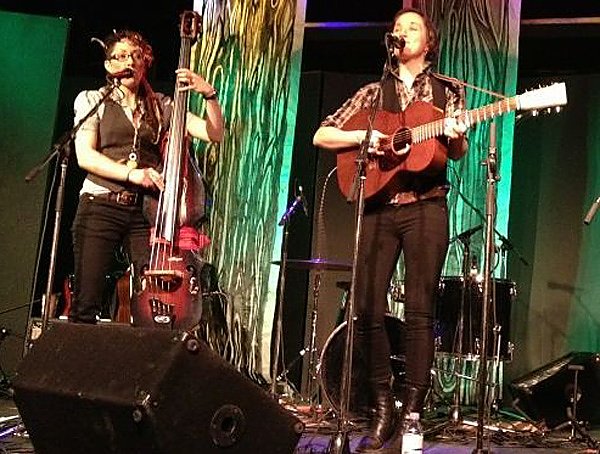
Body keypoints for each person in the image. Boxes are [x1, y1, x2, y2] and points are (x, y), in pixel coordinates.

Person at [313, 8, 468, 453]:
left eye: (412, 26)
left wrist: (456, 133)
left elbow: (456, 151)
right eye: (398, 27)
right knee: (365, 309)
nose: (402, 32)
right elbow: (322, 135)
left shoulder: (448, 91)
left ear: (429, 41)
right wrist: (363, 139)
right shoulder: (372, 92)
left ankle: (413, 413)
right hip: (379, 207)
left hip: (426, 206)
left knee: (419, 311)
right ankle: (383, 407)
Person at [69, 29, 224, 324]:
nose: (130, 62)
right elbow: (85, 156)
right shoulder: (92, 100)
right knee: (86, 300)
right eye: (121, 56)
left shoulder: (161, 106)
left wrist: (209, 94)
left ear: (145, 64)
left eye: (136, 56)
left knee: (155, 294)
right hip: (101, 204)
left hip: (144, 213)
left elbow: (213, 133)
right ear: (109, 65)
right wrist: (133, 174)